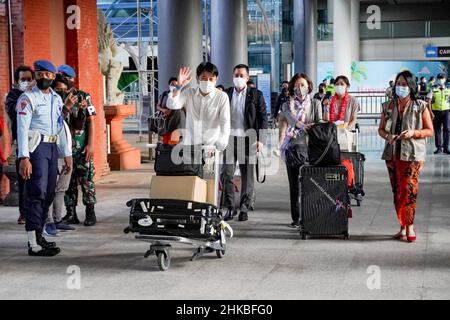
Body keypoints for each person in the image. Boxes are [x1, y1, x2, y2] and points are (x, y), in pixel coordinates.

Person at [16, 60, 73, 256]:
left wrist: (67, 153)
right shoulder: (27, 98)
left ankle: (40, 236)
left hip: (52, 148)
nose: (44, 78)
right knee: (36, 193)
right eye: (40, 74)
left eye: (48, 75)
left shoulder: (56, 99)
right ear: (36, 75)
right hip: (36, 148)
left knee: (49, 193)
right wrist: (24, 157)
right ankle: (33, 242)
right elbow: (22, 129)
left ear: (53, 76)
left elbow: (60, 126)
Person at [378, 70, 433, 243]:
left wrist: (413, 133)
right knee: (397, 191)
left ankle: (410, 225)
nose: (401, 87)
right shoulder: (388, 105)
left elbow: (429, 130)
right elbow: (381, 129)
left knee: (409, 190)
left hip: (413, 155)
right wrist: (388, 136)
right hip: (392, 153)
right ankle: (401, 225)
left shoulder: (420, 105)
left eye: (404, 84)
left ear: (411, 86)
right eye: (398, 84)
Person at [222, 64, 268, 222]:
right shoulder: (226, 94)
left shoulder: (256, 95)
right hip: (228, 139)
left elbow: (263, 118)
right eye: (236, 75)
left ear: (248, 78)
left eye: (242, 75)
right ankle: (229, 207)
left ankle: (244, 208)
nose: (238, 78)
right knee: (226, 173)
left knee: (247, 176)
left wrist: (261, 139)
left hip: (248, 139)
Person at [55, 65, 98, 227]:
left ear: (72, 79)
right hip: (64, 149)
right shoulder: (55, 97)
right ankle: (71, 213)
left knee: (86, 179)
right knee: (68, 182)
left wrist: (91, 144)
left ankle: (90, 212)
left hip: (82, 147)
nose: (62, 79)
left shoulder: (83, 96)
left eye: (65, 76)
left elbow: (91, 120)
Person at [281, 73, 322, 228]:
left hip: (310, 148)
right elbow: (291, 120)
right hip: (292, 149)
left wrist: (312, 128)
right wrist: (305, 126)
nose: (300, 88)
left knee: (310, 184)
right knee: (294, 186)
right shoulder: (286, 105)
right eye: (297, 85)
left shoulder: (316, 103)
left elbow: (318, 123)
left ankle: (310, 215)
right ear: (292, 88)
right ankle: (296, 218)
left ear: (309, 86)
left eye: (303, 85)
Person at [166, 62, 230, 151]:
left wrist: (220, 144)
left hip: (211, 146)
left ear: (216, 79)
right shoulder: (189, 93)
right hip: (191, 145)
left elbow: (225, 122)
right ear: (197, 78)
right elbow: (172, 104)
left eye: (211, 79)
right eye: (204, 78)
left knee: (210, 165)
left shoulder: (222, 96)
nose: (207, 82)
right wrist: (179, 86)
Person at [43, 73, 78, 236]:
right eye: (58, 90)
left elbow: (72, 128)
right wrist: (66, 108)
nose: (62, 93)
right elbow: (55, 124)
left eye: (65, 90)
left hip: (67, 152)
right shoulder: (49, 105)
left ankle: (57, 219)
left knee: (61, 189)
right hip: (54, 152)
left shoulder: (64, 104)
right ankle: (48, 221)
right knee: (50, 189)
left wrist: (80, 111)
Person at [5, 65, 34, 225]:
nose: (27, 82)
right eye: (23, 79)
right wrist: (26, 93)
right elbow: (15, 112)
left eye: (29, 79)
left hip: (38, 141)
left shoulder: (37, 94)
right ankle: (23, 213)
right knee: (23, 178)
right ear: (17, 81)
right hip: (21, 142)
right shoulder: (13, 95)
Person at [323, 75, 360, 190]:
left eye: (342, 84)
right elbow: (325, 120)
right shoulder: (330, 100)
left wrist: (345, 129)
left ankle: (348, 184)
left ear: (347, 86)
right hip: (331, 133)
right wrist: (325, 107)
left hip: (346, 133)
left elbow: (354, 119)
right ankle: (331, 183)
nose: (339, 86)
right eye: (337, 84)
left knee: (345, 159)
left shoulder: (353, 100)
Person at [155, 77, 183, 145]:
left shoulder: (180, 95)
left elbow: (183, 108)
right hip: (165, 121)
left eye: (176, 85)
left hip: (175, 121)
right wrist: (163, 110)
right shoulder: (164, 94)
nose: (174, 86)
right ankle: (165, 152)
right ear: (169, 85)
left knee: (174, 141)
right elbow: (158, 106)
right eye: (172, 84)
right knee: (165, 141)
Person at [427, 73, 450, 155]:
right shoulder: (433, 88)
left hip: (447, 111)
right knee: (437, 129)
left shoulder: (448, 88)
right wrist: (430, 112)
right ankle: (439, 148)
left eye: (442, 78)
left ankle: (446, 148)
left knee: (447, 129)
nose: (441, 80)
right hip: (436, 111)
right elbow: (428, 101)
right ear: (437, 79)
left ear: (445, 79)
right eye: (439, 78)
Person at [273, 81, 290, 157]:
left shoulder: (292, 95)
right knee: (282, 132)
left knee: (289, 132)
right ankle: (279, 148)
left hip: (291, 115)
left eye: (285, 86)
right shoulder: (280, 96)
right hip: (283, 114)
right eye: (283, 86)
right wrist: (275, 116)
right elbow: (277, 106)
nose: (284, 87)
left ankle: (286, 147)